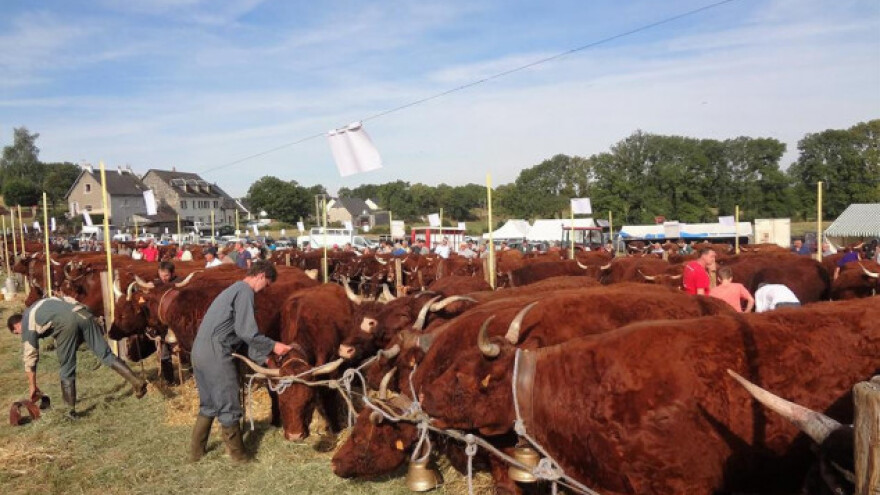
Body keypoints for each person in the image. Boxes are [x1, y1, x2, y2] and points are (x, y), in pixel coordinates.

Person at [189, 261, 291, 463]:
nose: (265, 290)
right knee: (228, 403)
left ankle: (196, 453)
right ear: (261, 276)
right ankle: (239, 457)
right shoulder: (245, 292)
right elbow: (247, 332)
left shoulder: (232, 290)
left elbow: (241, 334)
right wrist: (274, 346)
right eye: (267, 284)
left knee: (208, 405)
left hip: (199, 350)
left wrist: (264, 359)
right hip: (216, 352)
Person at [7, 297, 147, 419]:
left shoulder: (27, 322)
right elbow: (70, 301)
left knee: (67, 367)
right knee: (105, 354)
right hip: (83, 313)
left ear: (17, 326)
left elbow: (30, 356)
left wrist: (32, 386)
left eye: (17, 333)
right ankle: (136, 381)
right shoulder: (45, 302)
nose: (20, 334)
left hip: (65, 323)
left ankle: (70, 411)